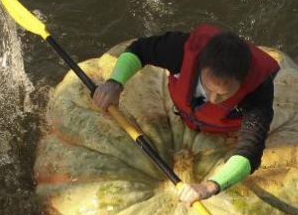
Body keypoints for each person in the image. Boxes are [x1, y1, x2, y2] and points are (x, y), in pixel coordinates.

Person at [92, 24, 279, 205]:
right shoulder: (180, 49)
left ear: (242, 81)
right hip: (184, 112)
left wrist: (209, 186)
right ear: (201, 66)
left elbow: (250, 151)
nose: (213, 99)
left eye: (224, 94)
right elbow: (140, 50)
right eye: (208, 88)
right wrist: (115, 83)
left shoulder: (258, 92)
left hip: (224, 131)